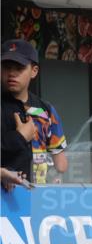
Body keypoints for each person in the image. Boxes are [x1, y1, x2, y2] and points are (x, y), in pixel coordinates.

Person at [1, 39, 67, 184]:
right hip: (4, 198)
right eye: (7, 67)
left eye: (19, 68)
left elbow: (61, 164)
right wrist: (19, 137)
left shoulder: (46, 110)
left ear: (34, 71)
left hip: (39, 195)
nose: (12, 73)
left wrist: (56, 177)